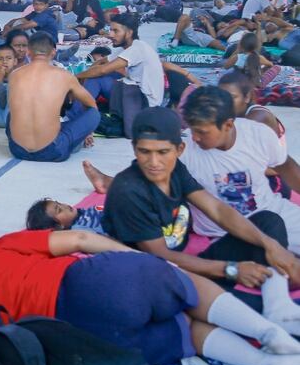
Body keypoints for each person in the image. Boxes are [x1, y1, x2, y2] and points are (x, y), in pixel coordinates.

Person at [0, 228, 300, 365]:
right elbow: (79, 241)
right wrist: (133, 260)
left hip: (90, 343)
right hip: (87, 288)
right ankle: (268, 331)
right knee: (184, 284)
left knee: (184, 330)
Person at [93, 107, 300, 320]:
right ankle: (274, 308)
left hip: (189, 263)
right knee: (251, 308)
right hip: (158, 276)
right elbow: (160, 257)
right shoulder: (129, 191)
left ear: (179, 149)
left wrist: (270, 245)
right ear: (134, 149)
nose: (154, 163)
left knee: (269, 222)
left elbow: (217, 210)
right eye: (145, 151)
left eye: (163, 152)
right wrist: (231, 269)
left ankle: (278, 305)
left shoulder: (175, 170)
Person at [181, 86, 300, 255]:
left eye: (201, 132)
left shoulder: (258, 134)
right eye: (192, 130)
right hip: (224, 233)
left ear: (228, 124)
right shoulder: (183, 149)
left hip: (273, 214)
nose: (195, 137)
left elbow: (286, 166)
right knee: (275, 270)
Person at [6, 31, 100, 162]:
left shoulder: (14, 75)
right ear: (53, 53)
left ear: (28, 52)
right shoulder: (65, 76)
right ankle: (75, 143)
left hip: (17, 150)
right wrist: (86, 132)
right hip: (52, 151)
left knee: (13, 114)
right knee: (94, 114)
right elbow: (91, 104)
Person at [77, 13, 164, 138]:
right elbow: (101, 61)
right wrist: (86, 73)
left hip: (144, 103)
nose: (110, 35)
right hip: (131, 95)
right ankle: (80, 113)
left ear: (129, 33)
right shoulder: (126, 48)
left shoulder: (138, 48)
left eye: (115, 31)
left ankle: (81, 116)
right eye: (110, 30)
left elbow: (103, 70)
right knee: (95, 77)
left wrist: (77, 77)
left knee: (100, 76)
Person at [26, 198, 104, 234]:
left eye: (59, 203)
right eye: (59, 210)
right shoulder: (79, 228)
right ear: (58, 227)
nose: (64, 206)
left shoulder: (80, 212)